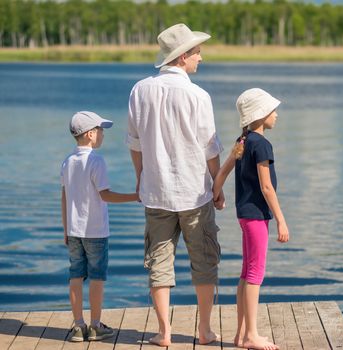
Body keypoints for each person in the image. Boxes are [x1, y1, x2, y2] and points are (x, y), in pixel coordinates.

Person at [126, 23, 224, 347]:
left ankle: (164, 333)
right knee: (205, 261)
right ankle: (206, 330)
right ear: (182, 57)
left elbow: (135, 143)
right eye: (196, 52)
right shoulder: (198, 95)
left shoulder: (139, 90)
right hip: (195, 192)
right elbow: (210, 148)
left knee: (159, 263)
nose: (201, 57)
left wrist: (140, 178)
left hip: (155, 192)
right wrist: (217, 186)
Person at [212, 88, 290, 350]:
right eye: (272, 110)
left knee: (246, 273)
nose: (276, 115)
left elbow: (222, 171)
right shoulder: (262, 144)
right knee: (256, 273)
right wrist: (281, 219)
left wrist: (216, 194)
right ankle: (251, 335)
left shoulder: (243, 140)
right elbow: (267, 187)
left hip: (244, 215)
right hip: (257, 216)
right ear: (260, 115)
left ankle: (241, 333)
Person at [61, 111, 139, 342]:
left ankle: (78, 326)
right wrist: (135, 196)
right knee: (97, 278)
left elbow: (64, 197)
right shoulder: (97, 161)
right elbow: (105, 195)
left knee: (75, 276)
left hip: (74, 231)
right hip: (95, 231)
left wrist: (65, 228)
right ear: (91, 134)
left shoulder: (67, 161)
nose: (103, 134)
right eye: (101, 130)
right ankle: (95, 325)